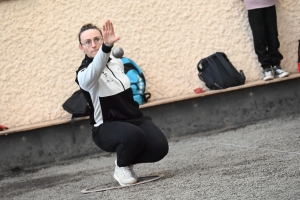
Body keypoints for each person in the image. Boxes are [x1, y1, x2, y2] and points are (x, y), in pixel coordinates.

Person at [75, 20, 169, 186]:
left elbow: (106, 61)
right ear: (81, 48)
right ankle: (121, 167)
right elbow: (96, 68)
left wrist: (107, 50)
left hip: (133, 119)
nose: (94, 45)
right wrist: (106, 47)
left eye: (97, 39)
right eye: (88, 42)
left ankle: (126, 158)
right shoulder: (84, 75)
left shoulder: (117, 62)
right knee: (133, 135)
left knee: (159, 148)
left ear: (102, 39)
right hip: (106, 127)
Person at [242, 0, 289, 81]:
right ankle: (266, 67)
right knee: (259, 37)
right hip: (253, 5)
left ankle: (276, 66)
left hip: (269, 3)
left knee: (273, 35)